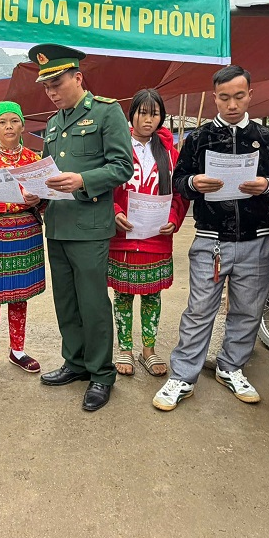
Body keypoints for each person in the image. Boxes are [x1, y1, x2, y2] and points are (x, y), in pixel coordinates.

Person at [153, 65, 269, 411]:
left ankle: (231, 367)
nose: (232, 104)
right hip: (211, 239)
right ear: (215, 98)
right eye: (224, 98)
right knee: (199, 309)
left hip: (257, 237)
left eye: (239, 96)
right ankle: (183, 375)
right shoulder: (199, 138)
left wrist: (267, 185)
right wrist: (194, 183)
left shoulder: (267, 139)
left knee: (248, 309)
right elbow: (178, 182)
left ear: (250, 95)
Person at [32, 44, 133, 412]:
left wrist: (83, 180)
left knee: (92, 303)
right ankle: (74, 362)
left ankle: (101, 373)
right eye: (47, 87)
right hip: (57, 224)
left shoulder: (107, 112)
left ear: (78, 77)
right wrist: (35, 192)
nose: (51, 92)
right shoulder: (53, 123)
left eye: (57, 83)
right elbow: (48, 172)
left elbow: (123, 166)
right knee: (66, 301)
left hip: (90, 226)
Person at [109, 89, 189, 378]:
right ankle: (125, 348)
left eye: (154, 114)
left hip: (157, 236)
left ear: (161, 117)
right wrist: (115, 211)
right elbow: (106, 187)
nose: (148, 119)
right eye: (142, 112)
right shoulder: (117, 148)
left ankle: (148, 350)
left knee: (152, 294)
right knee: (123, 294)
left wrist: (173, 218)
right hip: (123, 236)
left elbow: (180, 194)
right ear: (131, 115)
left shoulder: (170, 153)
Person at [0, 101, 45, 382]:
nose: (9, 127)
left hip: (25, 230)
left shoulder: (34, 160)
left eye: (14, 121)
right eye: (2, 122)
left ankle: (18, 351)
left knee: (19, 295)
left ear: (23, 126)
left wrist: (39, 199)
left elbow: (46, 199)